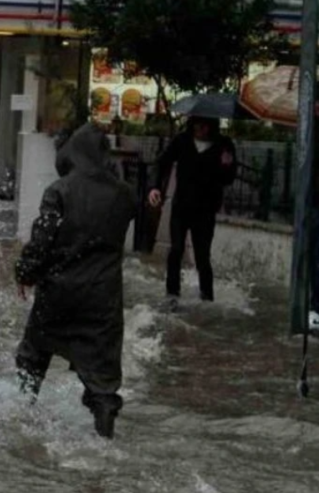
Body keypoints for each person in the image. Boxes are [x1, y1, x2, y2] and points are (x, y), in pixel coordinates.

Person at [15, 123, 137, 439]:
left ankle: (21, 418)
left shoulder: (60, 191)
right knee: (103, 376)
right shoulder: (124, 194)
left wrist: (25, 273)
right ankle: (104, 436)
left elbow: (41, 241)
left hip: (58, 292)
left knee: (33, 356)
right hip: (103, 300)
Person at [148, 116, 237, 305]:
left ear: (212, 126)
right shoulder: (182, 141)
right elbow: (161, 163)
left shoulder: (223, 144)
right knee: (176, 249)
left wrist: (226, 164)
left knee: (202, 255)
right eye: (197, 125)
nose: (201, 129)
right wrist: (155, 187)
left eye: (205, 125)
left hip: (205, 209)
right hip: (182, 206)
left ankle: (207, 297)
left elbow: (229, 178)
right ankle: (172, 294)